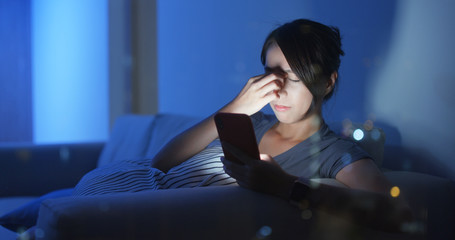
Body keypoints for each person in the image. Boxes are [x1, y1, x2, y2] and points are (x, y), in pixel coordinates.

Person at [73, 18, 411, 230]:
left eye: (291, 77)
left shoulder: (334, 152)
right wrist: (236, 107)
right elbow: (160, 163)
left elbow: (397, 214)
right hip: (111, 186)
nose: (276, 88)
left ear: (327, 83)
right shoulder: (258, 121)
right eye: (270, 73)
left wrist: (286, 186)